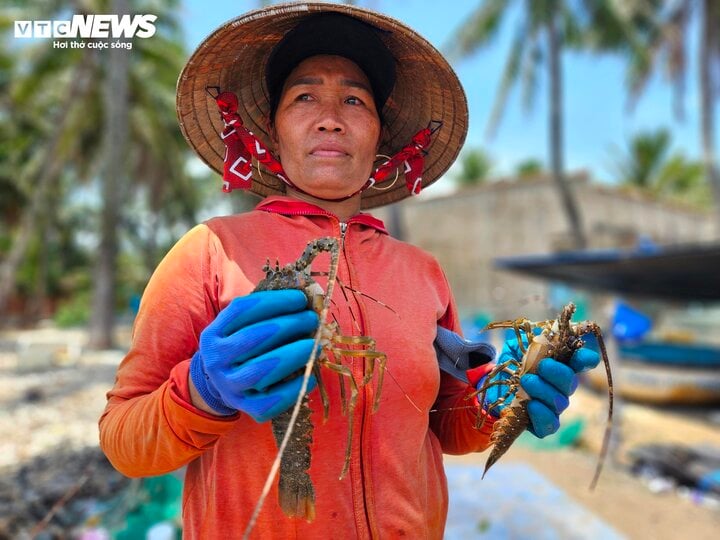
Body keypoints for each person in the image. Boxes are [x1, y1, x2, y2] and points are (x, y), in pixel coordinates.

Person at [99, 3, 600, 539]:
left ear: (380, 136)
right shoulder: (208, 250)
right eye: (304, 96)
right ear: (273, 129)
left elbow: (448, 425)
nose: (330, 116)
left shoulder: (423, 271)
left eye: (354, 100)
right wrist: (203, 391)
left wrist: (506, 402)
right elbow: (123, 441)